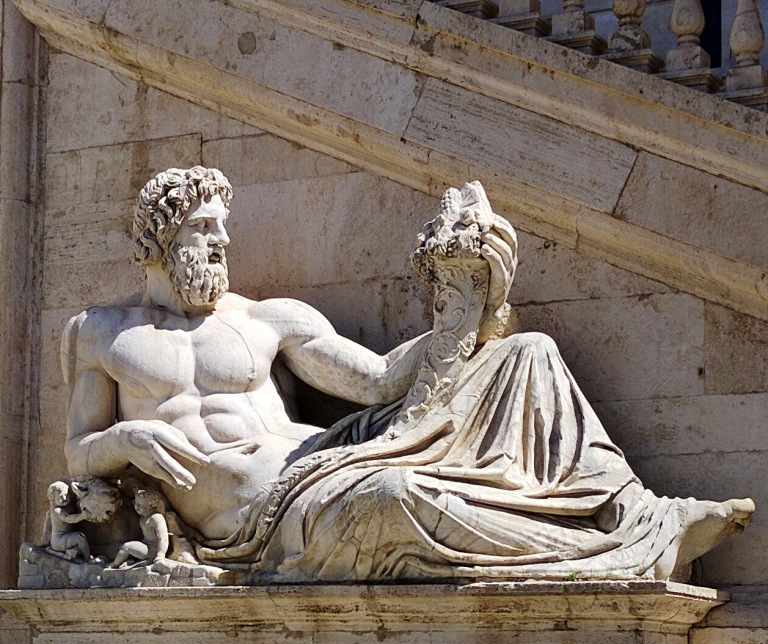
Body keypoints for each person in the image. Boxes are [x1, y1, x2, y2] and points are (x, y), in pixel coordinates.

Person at [61, 166, 753, 582]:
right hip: (259, 518)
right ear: (161, 237)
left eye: (223, 229)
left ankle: (637, 515)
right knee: (396, 496)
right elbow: (77, 452)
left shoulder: (266, 318)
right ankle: (613, 551)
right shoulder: (100, 332)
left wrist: (468, 303)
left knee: (528, 352)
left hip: (328, 458)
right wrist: (126, 440)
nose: (222, 243)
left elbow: (378, 381)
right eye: (204, 230)